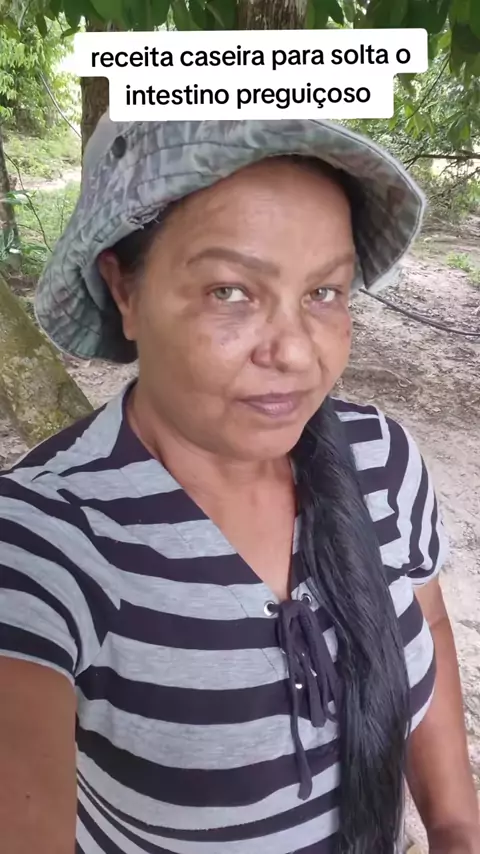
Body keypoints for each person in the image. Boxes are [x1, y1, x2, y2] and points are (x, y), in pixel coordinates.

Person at [0, 118, 478, 854]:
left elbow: (429, 628)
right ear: (124, 288)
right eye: (230, 291)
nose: (296, 353)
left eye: (324, 291)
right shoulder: (43, 542)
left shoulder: (380, 458)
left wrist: (454, 829)